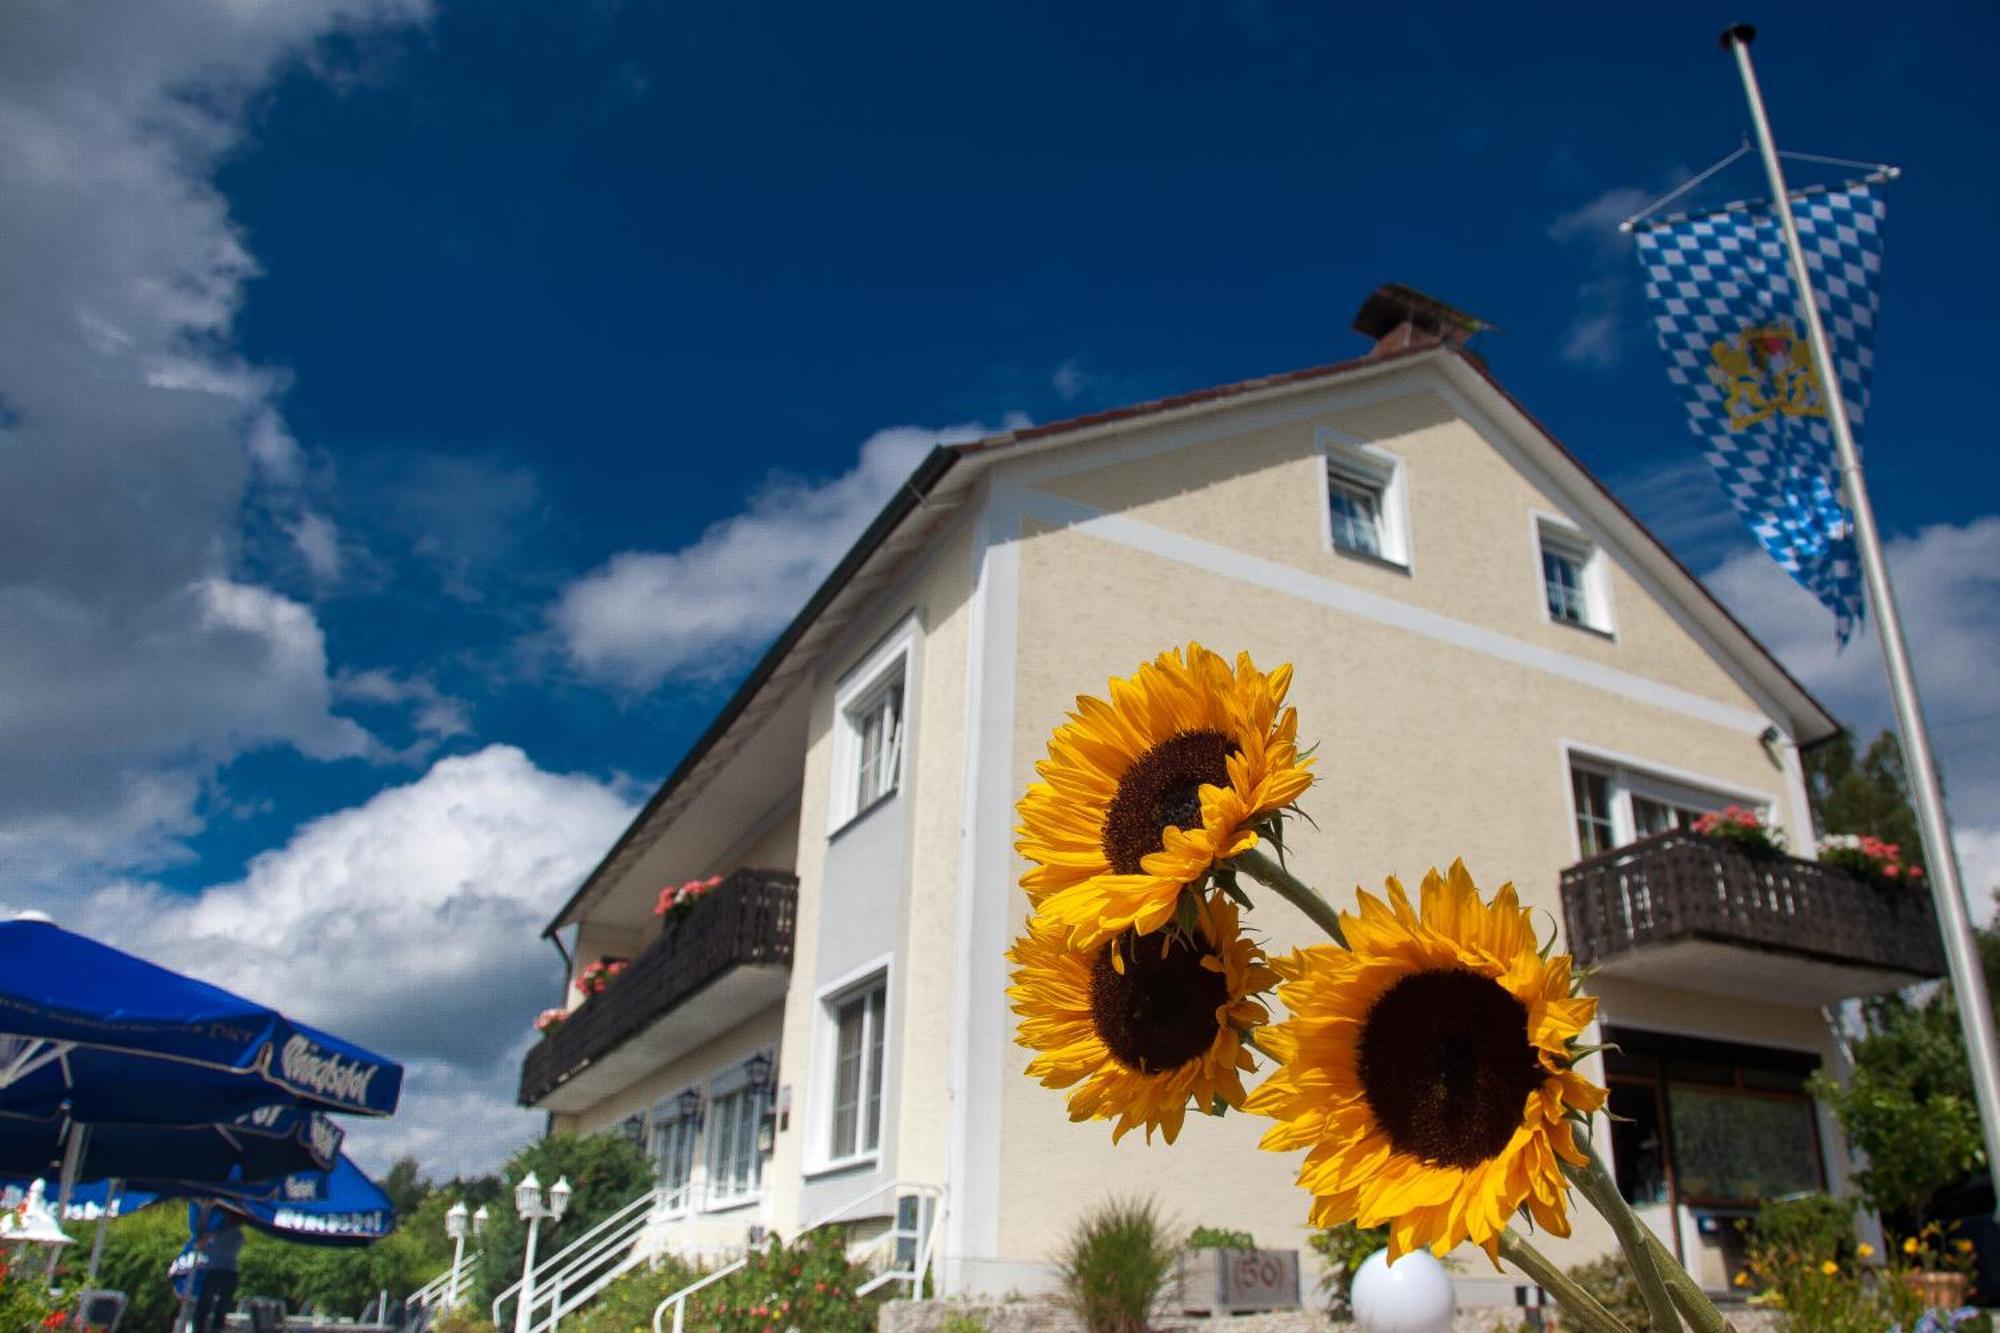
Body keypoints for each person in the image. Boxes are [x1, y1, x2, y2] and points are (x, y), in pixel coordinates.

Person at [191, 1213, 244, 1333]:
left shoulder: (217, 1233)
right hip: (231, 1272)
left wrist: (202, 1241)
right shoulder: (239, 1236)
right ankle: (217, 1327)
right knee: (223, 1304)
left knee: (204, 1305)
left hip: (216, 1270)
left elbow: (203, 1247)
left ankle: (199, 1329)